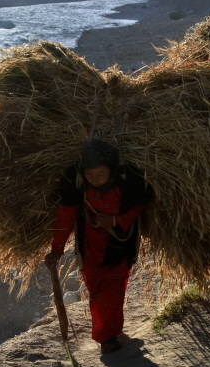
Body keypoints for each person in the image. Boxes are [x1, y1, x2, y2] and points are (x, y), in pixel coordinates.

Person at [44, 139, 152, 354]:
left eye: (100, 174)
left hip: (119, 246)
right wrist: (56, 250)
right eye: (89, 174)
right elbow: (64, 217)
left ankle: (108, 337)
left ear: (111, 172)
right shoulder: (76, 185)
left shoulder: (128, 183)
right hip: (90, 246)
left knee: (113, 289)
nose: (94, 180)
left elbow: (139, 205)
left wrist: (114, 221)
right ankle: (111, 331)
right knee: (96, 290)